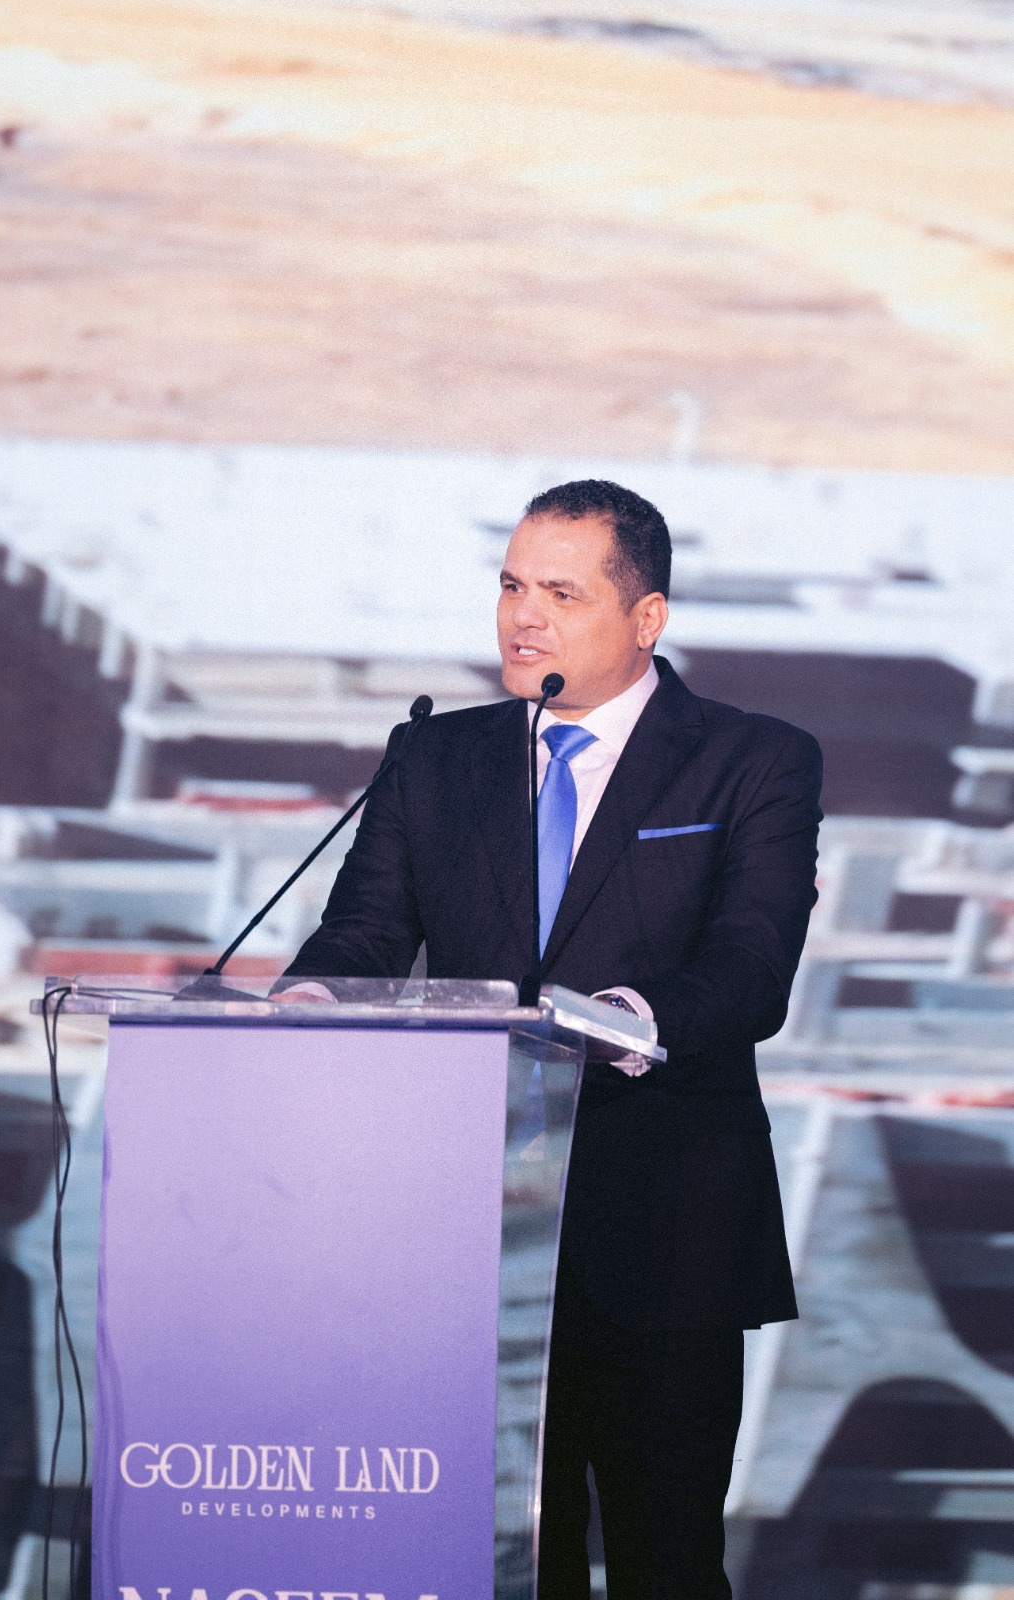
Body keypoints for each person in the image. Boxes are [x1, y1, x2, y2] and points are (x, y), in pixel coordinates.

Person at [280, 479, 822, 1600]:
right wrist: (309, 1000)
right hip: (461, 1230)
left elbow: (752, 965)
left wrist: (627, 1016)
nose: (523, 617)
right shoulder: (433, 756)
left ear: (646, 616)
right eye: (511, 586)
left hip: (661, 1223)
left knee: (664, 1563)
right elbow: (364, 932)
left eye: (561, 593)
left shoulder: (753, 758)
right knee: (497, 1563)